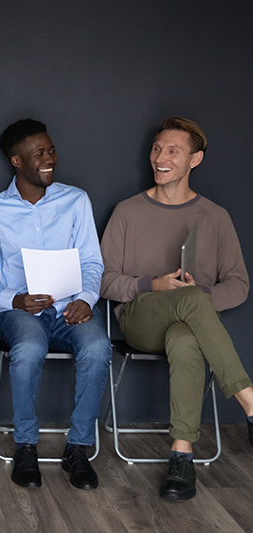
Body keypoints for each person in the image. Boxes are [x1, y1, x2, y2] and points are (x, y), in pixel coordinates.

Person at [100, 117, 253, 501]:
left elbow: (238, 284)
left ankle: (181, 455)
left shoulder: (215, 217)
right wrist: (152, 285)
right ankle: (250, 399)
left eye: (173, 151)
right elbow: (101, 280)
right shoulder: (127, 211)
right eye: (156, 148)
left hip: (188, 326)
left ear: (195, 160)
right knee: (191, 302)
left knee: (187, 339)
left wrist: (194, 296)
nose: (160, 157)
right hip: (140, 320)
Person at [0, 119, 111, 490]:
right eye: (39, 154)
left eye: (51, 150)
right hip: (21, 312)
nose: (50, 159)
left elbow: (92, 263)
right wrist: (14, 298)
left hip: (72, 306)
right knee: (30, 347)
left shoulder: (76, 200)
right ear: (17, 161)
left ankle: (78, 448)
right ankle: (26, 447)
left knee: (98, 347)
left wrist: (86, 298)